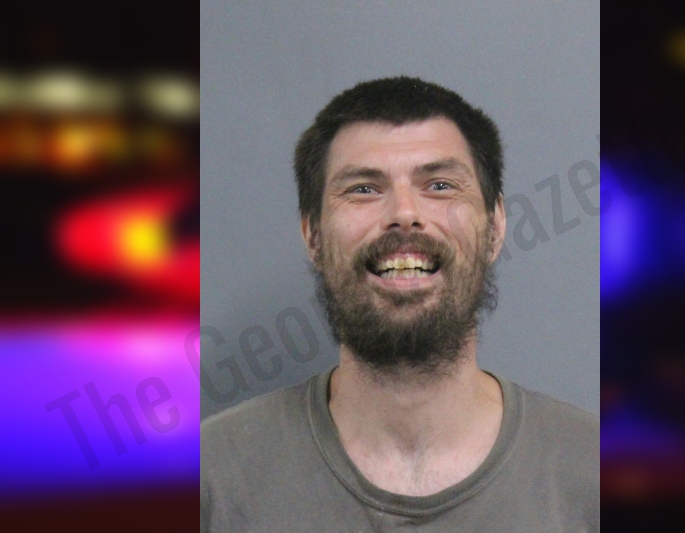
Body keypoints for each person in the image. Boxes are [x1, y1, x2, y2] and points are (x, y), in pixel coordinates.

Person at [201, 76, 598, 532]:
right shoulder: (210, 478)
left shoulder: (596, 475)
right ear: (312, 235)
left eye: (440, 185)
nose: (404, 213)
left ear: (495, 227)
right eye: (363, 189)